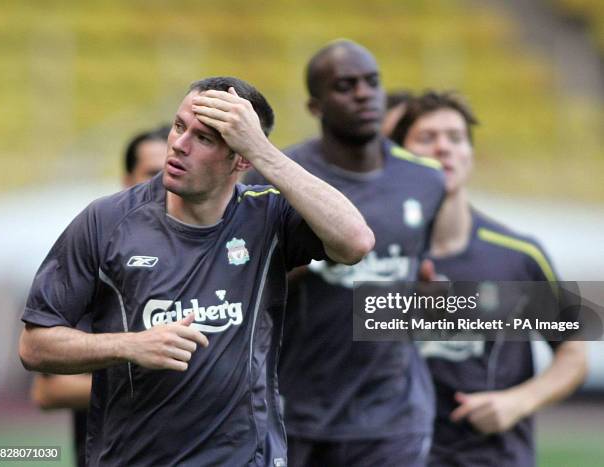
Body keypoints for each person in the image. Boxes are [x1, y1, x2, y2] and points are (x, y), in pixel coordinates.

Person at [19, 76, 374, 467]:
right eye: (178, 126)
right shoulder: (106, 222)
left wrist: (261, 151)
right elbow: (35, 347)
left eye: (204, 138)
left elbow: (355, 241)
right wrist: (131, 346)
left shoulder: (267, 215)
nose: (179, 145)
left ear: (240, 159)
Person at [245, 40, 445, 467]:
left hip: (393, 416)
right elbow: (246, 280)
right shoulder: (282, 178)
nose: (363, 94)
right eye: (345, 85)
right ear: (315, 106)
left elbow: (416, 276)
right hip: (294, 409)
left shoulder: (426, 180)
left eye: (372, 83)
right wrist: (310, 262)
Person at [393, 90, 588, 466]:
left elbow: (574, 353)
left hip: (494, 457)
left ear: (470, 155)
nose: (443, 148)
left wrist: (519, 401)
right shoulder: (375, 254)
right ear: (399, 156)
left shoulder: (516, 257)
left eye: (455, 138)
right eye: (427, 138)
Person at [29, 124, 170, 467]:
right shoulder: (97, 255)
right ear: (126, 179)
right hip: (110, 453)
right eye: (152, 173)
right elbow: (48, 390)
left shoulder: (209, 258)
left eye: (173, 171)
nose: (164, 184)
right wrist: (141, 365)